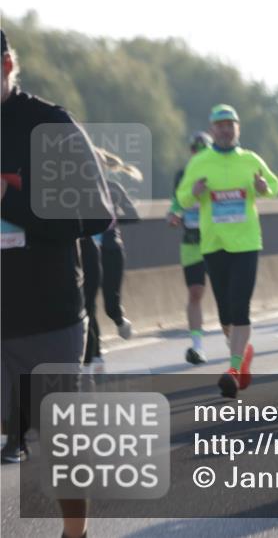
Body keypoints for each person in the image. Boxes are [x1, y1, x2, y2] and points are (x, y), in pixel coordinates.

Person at [1, 29, 114, 538]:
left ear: (6, 66)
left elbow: (95, 214)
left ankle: (76, 533)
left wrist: (8, 200)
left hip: (44, 313)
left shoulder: (49, 125)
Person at [176, 104, 278, 398]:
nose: (225, 129)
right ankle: (242, 355)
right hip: (214, 243)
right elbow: (181, 198)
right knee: (224, 312)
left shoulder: (249, 159)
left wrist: (262, 187)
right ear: (212, 130)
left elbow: (273, 185)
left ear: (237, 128)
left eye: (230, 124)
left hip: (246, 242)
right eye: (220, 124)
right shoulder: (200, 162)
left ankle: (233, 368)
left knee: (240, 305)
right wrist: (193, 193)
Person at [82, 147, 141, 367]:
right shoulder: (78, 191)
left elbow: (133, 215)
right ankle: (94, 353)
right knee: (87, 304)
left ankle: (118, 318)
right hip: (88, 252)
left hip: (111, 251)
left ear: (102, 167)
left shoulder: (113, 189)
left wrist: (113, 221)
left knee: (109, 304)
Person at [167, 132, 212, 364]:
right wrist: (173, 215)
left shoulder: (217, 174)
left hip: (218, 242)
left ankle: (233, 344)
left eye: (203, 149)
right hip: (192, 243)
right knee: (195, 292)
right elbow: (177, 202)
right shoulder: (182, 175)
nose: (198, 153)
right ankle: (197, 346)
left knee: (226, 296)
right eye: (195, 149)